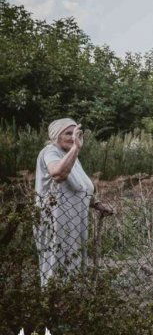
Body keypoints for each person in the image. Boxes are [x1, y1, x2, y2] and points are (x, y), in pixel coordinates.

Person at [34, 118, 112, 286]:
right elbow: (58, 174)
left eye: (76, 134)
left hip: (76, 221)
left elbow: (81, 186)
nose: (73, 138)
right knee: (56, 260)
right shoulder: (50, 152)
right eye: (68, 133)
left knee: (74, 260)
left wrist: (96, 204)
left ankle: (72, 302)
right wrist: (76, 147)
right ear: (56, 135)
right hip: (56, 219)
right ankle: (52, 302)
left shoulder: (73, 157)